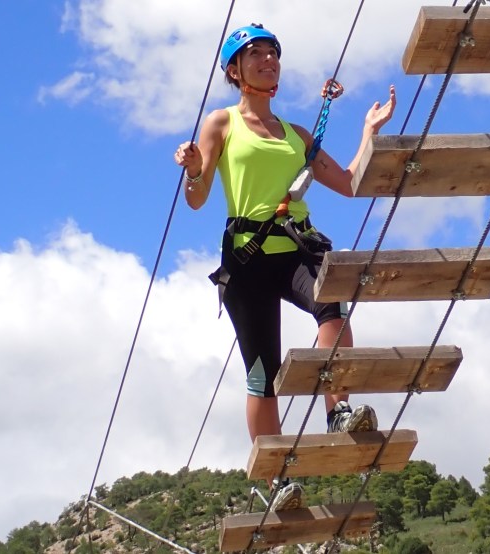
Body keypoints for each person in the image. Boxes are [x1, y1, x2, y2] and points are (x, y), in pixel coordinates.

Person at [174, 23, 396, 511]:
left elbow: (350, 183)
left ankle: (337, 411)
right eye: (255, 54)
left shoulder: (296, 135)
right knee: (263, 371)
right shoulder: (222, 123)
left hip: (297, 248)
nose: (267, 60)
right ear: (235, 70)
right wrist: (192, 169)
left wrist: (368, 132)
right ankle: (275, 478)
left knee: (333, 309)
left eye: (272, 53)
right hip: (248, 258)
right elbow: (197, 198)